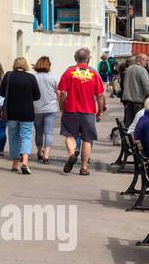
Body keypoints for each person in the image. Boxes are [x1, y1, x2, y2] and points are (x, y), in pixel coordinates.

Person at [57, 46, 107, 175]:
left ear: (75, 58)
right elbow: (100, 95)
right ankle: (84, 167)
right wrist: (100, 111)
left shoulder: (68, 72)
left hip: (71, 109)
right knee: (87, 139)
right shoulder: (94, 74)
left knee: (69, 135)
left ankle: (72, 154)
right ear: (88, 59)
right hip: (88, 111)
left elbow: (62, 92)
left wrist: (62, 105)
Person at [0, 57, 40, 174]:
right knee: (26, 137)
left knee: (13, 137)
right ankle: (25, 162)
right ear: (26, 65)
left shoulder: (8, 76)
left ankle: (15, 163)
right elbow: (37, 96)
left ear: (14, 65)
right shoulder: (31, 77)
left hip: (11, 112)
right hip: (27, 113)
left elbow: (1, 93)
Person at [32, 56, 60, 165]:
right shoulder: (52, 78)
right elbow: (58, 93)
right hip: (50, 108)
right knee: (48, 132)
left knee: (38, 132)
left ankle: (39, 151)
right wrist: (61, 106)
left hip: (36, 109)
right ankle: (46, 156)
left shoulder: (33, 77)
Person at [120, 54, 149, 127]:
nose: (147, 63)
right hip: (139, 100)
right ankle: (136, 137)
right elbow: (147, 86)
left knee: (129, 122)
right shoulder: (142, 70)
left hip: (128, 99)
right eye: (146, 60)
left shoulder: (129, 69)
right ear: (140, 60)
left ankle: (129, 137)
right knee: (139, 122)